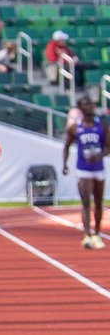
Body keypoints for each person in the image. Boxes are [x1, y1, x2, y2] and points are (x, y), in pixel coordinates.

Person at [63, 96, 106, 249]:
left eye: (91, 104)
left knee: (99, 203)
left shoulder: (103, 126)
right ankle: (86, 234)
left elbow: (108, 147)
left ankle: (97, 233)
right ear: (80, 108)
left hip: (99, 168)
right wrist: (65, 164)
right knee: (86, 202)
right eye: (85, 105)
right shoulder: (75, 128)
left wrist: (99, 155)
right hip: (83, 169)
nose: (89, 107)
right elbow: (66, 146)